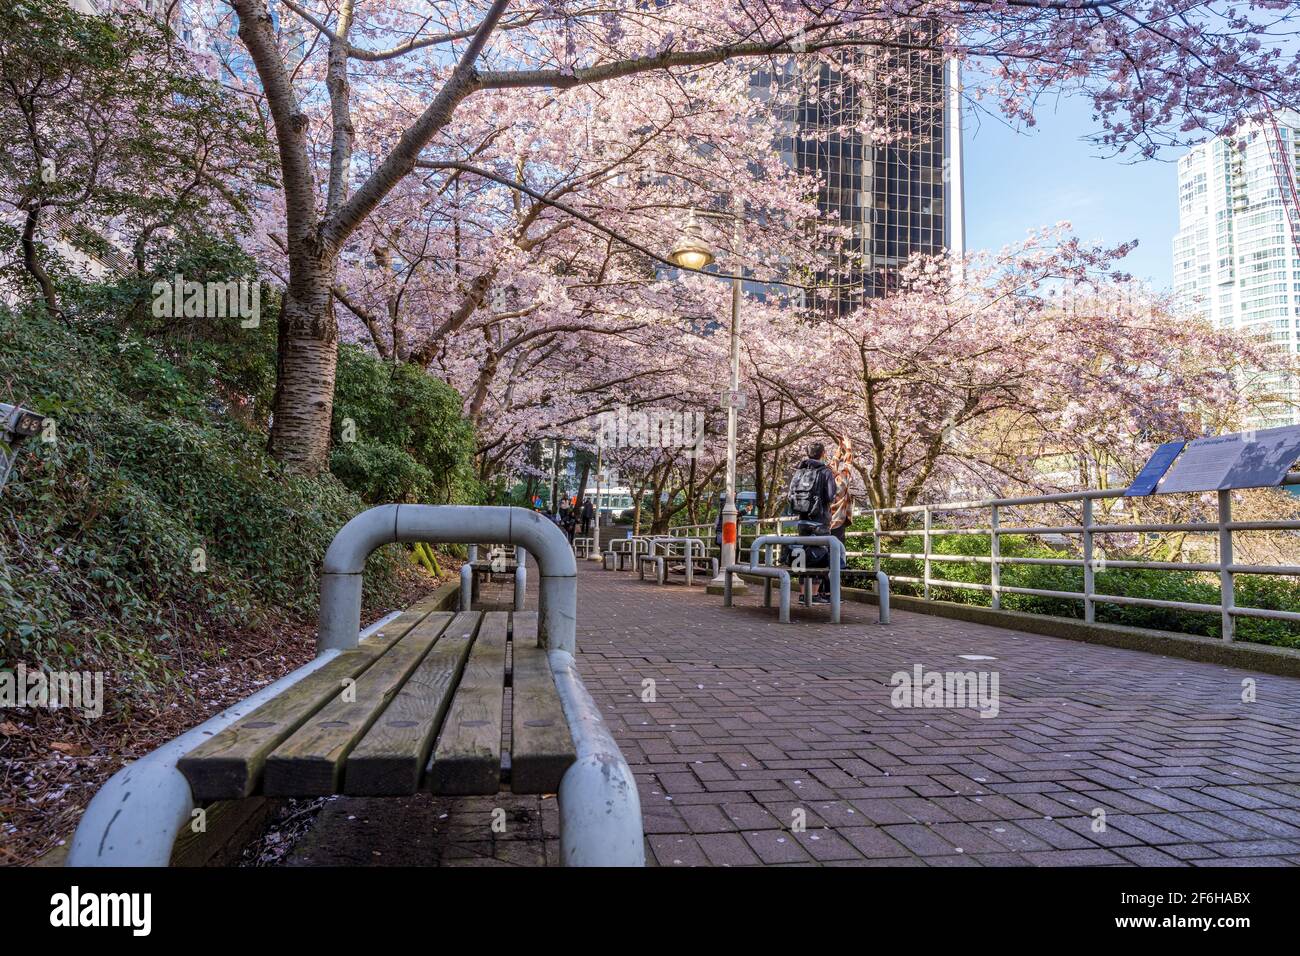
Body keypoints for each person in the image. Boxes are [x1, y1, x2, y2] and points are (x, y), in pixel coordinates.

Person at [785, 441, 837, 604]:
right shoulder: (825, 471)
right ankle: (814, 594)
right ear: (822, 453)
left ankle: (802, 594)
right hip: (820, 518)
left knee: (803, 552)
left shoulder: (799, 471)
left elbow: (790, 495)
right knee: (820, 554)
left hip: (802, 518)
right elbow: (830, 495)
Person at [824, 437, 854, 599]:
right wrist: (848, 450)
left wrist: (838, 449)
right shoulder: (840, 482)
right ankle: (832, 592)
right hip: (837, 523)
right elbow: (848, 467)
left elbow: (832, 465)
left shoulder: (824, 480)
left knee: (822, 556)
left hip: (822, 523)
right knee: (836, 559)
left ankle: (822, 591)